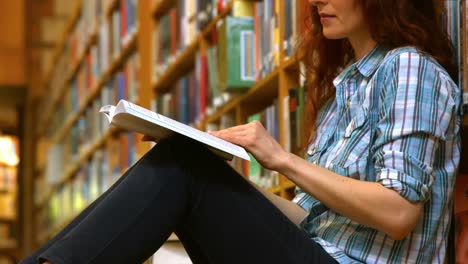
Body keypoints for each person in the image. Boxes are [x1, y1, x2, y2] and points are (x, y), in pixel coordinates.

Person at [22, 0, 462, 263]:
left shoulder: (409, 69)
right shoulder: (343, 89)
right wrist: (223, 179)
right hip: (320, 251)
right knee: (186, 163)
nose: (317, 1)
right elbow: (312, 219)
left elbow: (399, 214)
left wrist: (282, 160)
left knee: (184, 169)